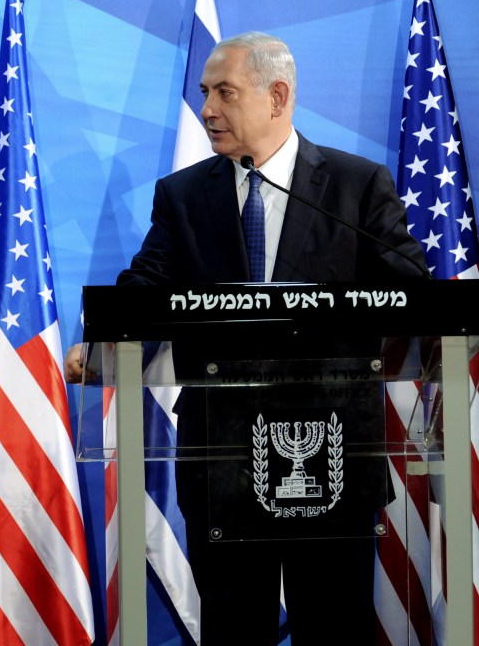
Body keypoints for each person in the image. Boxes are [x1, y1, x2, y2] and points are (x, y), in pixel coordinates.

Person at [65, 32, 427, 644]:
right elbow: (145, 285)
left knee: (333, 629)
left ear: (277, 95)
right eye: (205, 93)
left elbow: (414, 295)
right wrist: (98, 340)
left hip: (332, 454)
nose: (207, 108)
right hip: (222, 457)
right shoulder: (184, 195)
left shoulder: (355, 186)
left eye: (224, 93)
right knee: (234, 632)